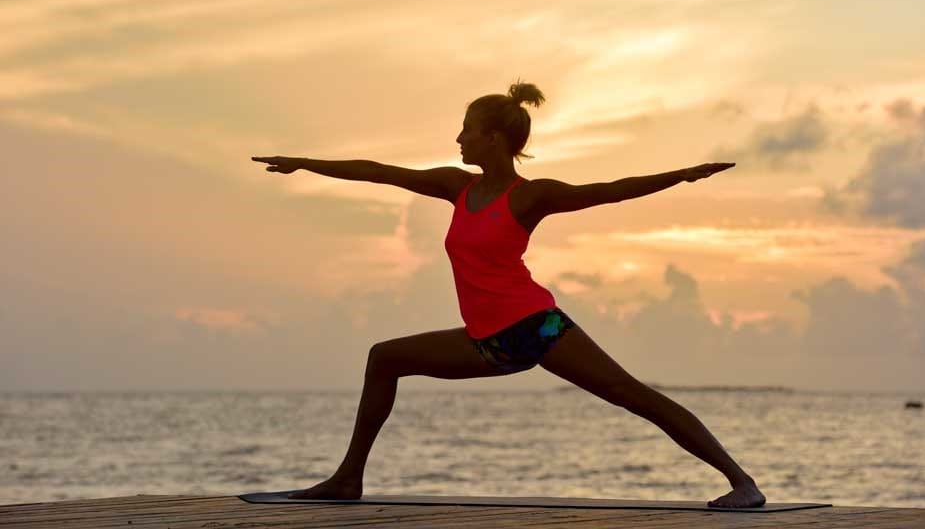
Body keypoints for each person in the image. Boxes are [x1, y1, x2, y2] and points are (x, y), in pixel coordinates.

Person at [251, 80, 765, 508]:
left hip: (536, 327)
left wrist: (681, 175)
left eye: (467, 131)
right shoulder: (457, 187)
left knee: (638, 398)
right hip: (486, 340)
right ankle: (347, 480)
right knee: (384, 358)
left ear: (493, 139)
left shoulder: (531, 195)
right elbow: (380, 172)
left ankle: (742, 483)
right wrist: (306, 163)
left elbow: (609, 190)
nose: (458, 138)